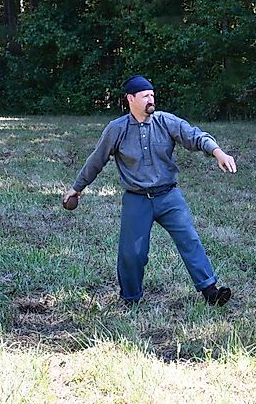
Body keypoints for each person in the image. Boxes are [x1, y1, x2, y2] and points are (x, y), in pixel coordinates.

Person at [63, 75, 237, 306]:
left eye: (152, 95)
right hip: (137, 200)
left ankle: (210, 292)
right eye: (145, 96)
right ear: (130, 99)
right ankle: (131, 298)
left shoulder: (165, 121)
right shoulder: (117, 129)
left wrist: (218, 152)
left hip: (169, 196)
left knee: (190, 240)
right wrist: (77, 188)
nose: (151, 99)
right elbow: (96, 160)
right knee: (132, 253)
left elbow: (195, 136)